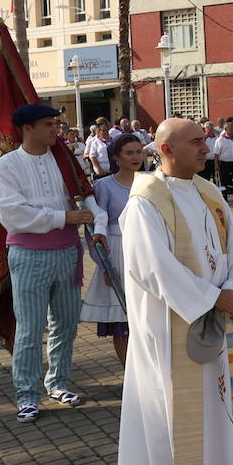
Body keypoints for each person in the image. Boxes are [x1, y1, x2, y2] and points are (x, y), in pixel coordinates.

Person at [116, 118, 233, 465]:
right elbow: (150, 266)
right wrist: (213, 297)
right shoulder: (145, 200)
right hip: (170, 326)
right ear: (166, 150)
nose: (206, 147)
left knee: (220, 405)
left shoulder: (208, 190)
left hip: (215, 319)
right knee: (178, 413)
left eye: (205, 139)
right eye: (196, 142)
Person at [0, 104, 108, 422]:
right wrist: (63, 217)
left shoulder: (64, 160)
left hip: (68, 253)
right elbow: (12, 215)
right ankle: (27, 395)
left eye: (55, 123)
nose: (55, 129)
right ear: (26, 128)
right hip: (28, 256)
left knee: (66, 324)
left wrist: (98, 223)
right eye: (47, 124)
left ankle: (57, 383)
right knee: (30, 329)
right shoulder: (7, 166)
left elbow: (88, 198)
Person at [80, 133, 144, 366]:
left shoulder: (149, 182)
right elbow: (96, 228)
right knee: (122, 321)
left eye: (139, 151)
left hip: (145, 252)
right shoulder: (104, 185)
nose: (136, 157)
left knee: (147, 317)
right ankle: (130, 373)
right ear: (116, 157)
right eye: (129, 152)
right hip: (117, 252)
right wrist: (105, 265)